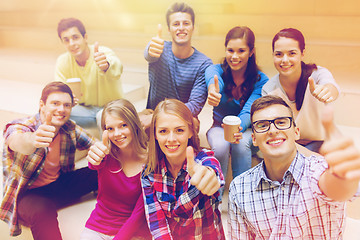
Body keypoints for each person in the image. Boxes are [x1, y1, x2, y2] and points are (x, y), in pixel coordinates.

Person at [228, 95, 360, 239]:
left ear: (296, 132)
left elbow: (337, 187)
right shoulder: (239, 188)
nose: (272, 130)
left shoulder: (318, 170)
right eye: (262, 125)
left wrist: (343, 176)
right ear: (254, 139)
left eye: (281, 122)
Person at [0, 82, 98, 240]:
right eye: (55, 103)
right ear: (42, 105)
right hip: (28, 194)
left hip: (58, 185)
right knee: (42, 210)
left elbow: (95, 145)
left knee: (97, 172)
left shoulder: (69, 128)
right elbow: (17, 140)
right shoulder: (22, 126)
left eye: (67, 105)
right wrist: (33, 140)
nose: (61, 109)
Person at [141, 99, 225, 240]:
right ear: (155, 135)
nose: (171, 139)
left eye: (179, 130)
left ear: (191, 132)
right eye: (163, 131)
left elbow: (212, 170)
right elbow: (157, 225)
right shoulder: (148, 173)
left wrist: (209, 176)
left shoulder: (204, 160)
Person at [80, 99, 151, 240]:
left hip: (134, 232)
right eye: (110, 128)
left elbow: (139, 214)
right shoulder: (105, 154)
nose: (117, 133)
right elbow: (94, 163)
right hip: (98, 227)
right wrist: (95, 156)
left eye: (123, 125)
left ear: (134, 124)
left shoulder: (150, 161)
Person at [205, 26, 269, 181]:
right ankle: (216, 198)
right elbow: (213, 79)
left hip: (246, 130)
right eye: (230, 50)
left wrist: (238, 127)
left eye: (241, 51)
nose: (234, 56)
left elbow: (249, 110)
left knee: (240, 144)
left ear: (251, 52)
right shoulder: (216, 70)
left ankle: (241, 197)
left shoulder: (261, 80)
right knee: (220, 146)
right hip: (218, 128)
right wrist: (214, 90)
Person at [262, 28, 340, 153]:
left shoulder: (317, 75)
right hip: (288, 145)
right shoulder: (269, 89)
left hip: (320, 143)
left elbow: (331, 87)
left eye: (292, 53)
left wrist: (327, 92)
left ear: (302, 54)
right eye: (278, 54)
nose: (285, 60)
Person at [140, 2, 213, 130]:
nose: (181, 28)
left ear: (193, 27)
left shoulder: (204, 63)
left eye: (186, 23)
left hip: (181, 117)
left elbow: (194, 106)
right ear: (169, 29)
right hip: (152, 112)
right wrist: (150, 49)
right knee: (131, 122)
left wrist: (159, 117)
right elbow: (150, 53)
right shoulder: (159, 49)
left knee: (193, 124)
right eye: (176, 24)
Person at [55, 17, 123, 130]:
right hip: (85, 112)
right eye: (66, 40)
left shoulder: (103, 52)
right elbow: (59, 91)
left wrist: (106, 65)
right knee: (55, 112)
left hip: (113, 109)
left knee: (102, 115)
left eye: (75, 37)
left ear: (85, 37)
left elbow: (117, 68)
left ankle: (107, 148)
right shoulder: (62, 61)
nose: (71, 43)